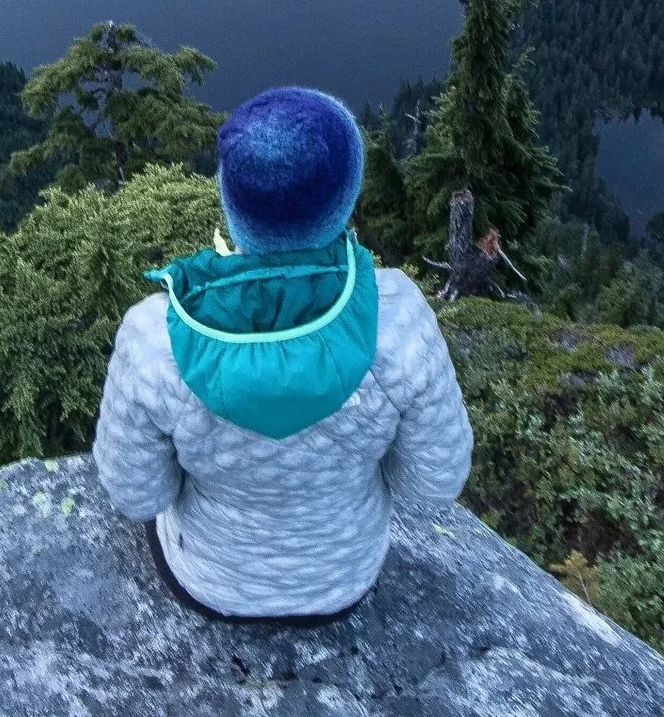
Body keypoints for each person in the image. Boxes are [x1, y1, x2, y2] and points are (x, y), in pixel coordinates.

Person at [92, 85, 474, 622]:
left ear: (226, 197)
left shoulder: (155, 337)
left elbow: (137, 497)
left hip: (206, 578)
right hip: (347, 577)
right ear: (348, 196)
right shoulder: (397, 317)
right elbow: (433, 485)